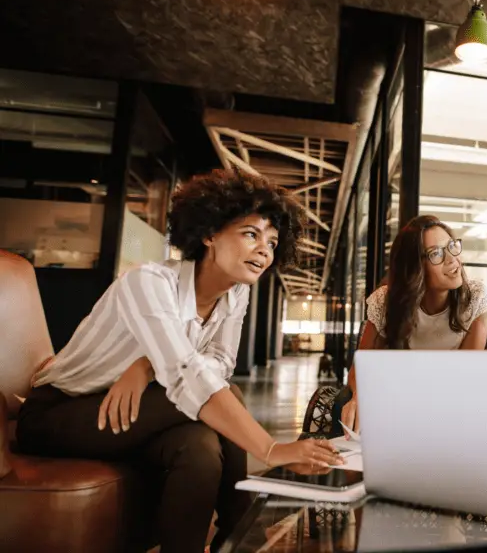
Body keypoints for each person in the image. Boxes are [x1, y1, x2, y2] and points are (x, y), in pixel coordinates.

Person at [17, 170, 345, 553]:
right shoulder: (149, 282)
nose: (264, 251)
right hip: (59, 413)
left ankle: (222, 541)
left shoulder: (235, 295)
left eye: (272, 242)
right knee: (218, 394)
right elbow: (189, 375)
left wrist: (145, 367)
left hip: (140, 409)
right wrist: (270, 449)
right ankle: (241, 528)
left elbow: (219, 362)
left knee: (200, 448)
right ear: (209, 233)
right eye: (251, 234)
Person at [340, 215, 487, 434]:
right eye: (436, 253)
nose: (452, 260)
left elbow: (466, 375)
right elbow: (362, 365)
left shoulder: (474, 298)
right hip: (395, 399)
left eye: (451, 246)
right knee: (347, 409)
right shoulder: (386, 302)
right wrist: (358, 398)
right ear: (414, 266)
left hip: (449, 402)